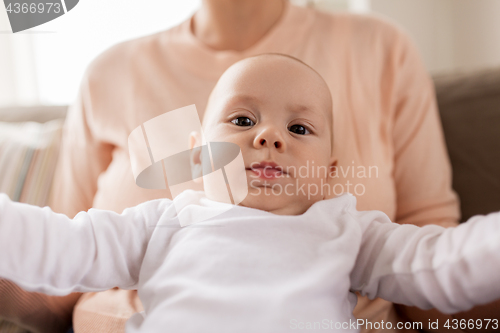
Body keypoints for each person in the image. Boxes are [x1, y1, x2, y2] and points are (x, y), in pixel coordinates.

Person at [1, 0, 499, 332]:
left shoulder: (349, 232)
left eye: (299, 130)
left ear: (330, 172)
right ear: (197, 154)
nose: (268, 136)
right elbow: (63, 247)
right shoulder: (162, 224)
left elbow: (441, 264)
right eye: (242, 120)